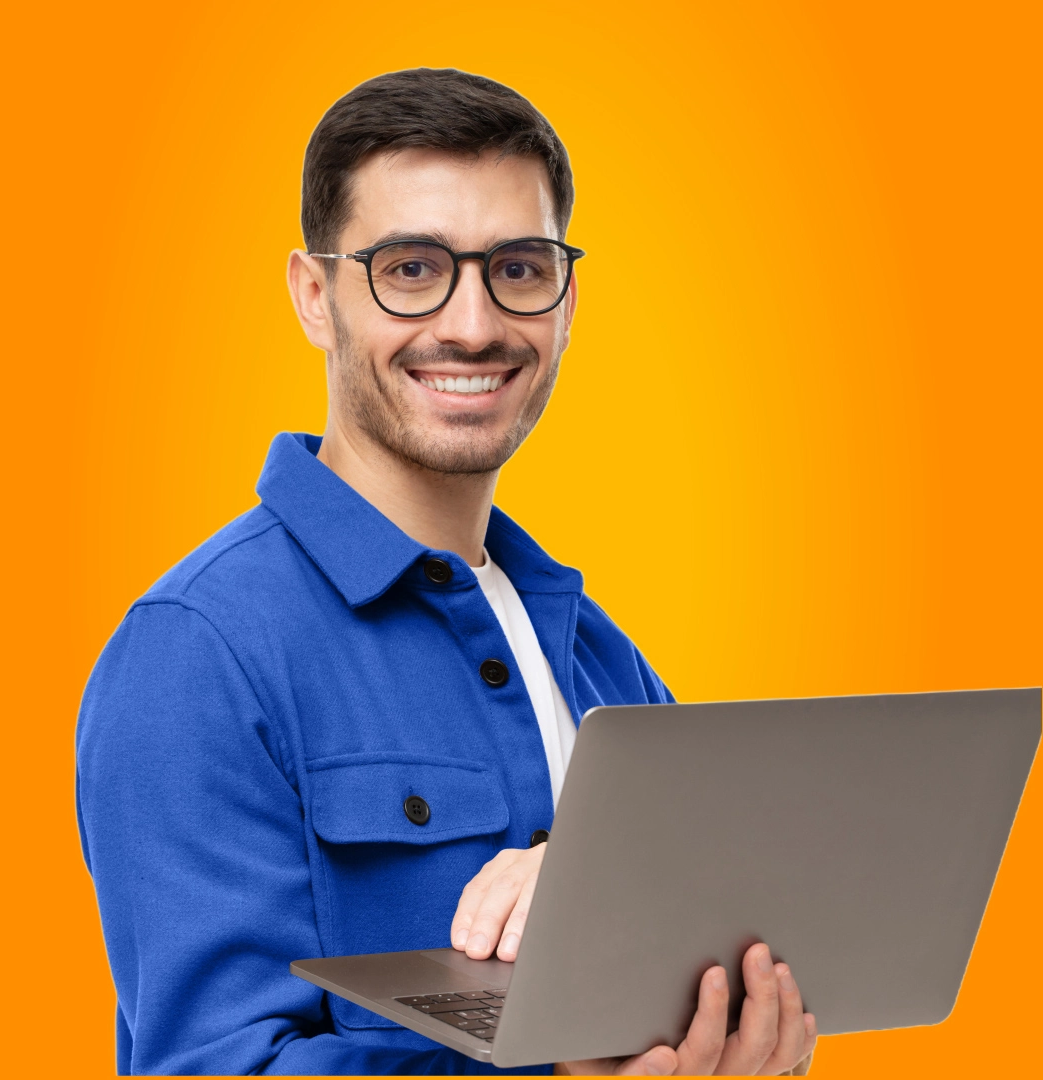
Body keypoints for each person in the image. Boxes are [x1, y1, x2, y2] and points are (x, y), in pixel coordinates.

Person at [76, 68, 816, 1076]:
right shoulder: (199, 653)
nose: (472, 325)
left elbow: (718, 966)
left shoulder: (599, 655)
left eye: (518, 268)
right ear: (314, 295)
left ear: (564, 296)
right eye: (412, 269)